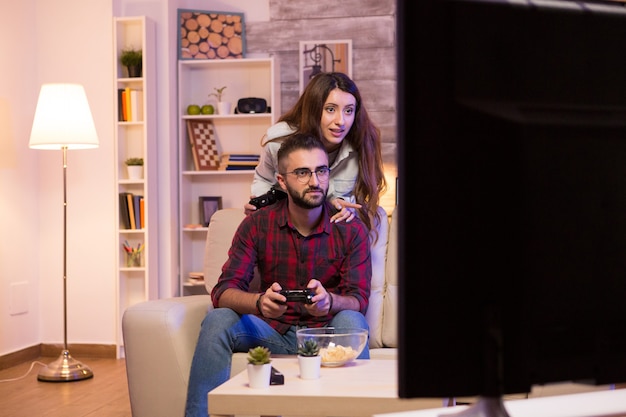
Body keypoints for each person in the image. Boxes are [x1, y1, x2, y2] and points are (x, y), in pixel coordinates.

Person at [184, 133, 372, 417]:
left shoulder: (349, 229)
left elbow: (358, 299)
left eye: (321, 171)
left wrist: (330, 301)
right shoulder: (257, 225)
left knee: (352, 320)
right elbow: (223, 292)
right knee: (218, 318)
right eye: (302, 172)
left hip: (324, 334)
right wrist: (259, 302)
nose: (314, 181)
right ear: (282, 181)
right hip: (272, 331)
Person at [245, 72, 387, 234]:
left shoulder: (362, 142)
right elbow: (263, 178)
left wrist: (344, 204)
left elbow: (358, 196)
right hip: (285, 226)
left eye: (349, 111)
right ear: (314, 109)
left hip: (333, 229)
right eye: (330, 109)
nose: (341, 121)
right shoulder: (279, 142)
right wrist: (261, 205)